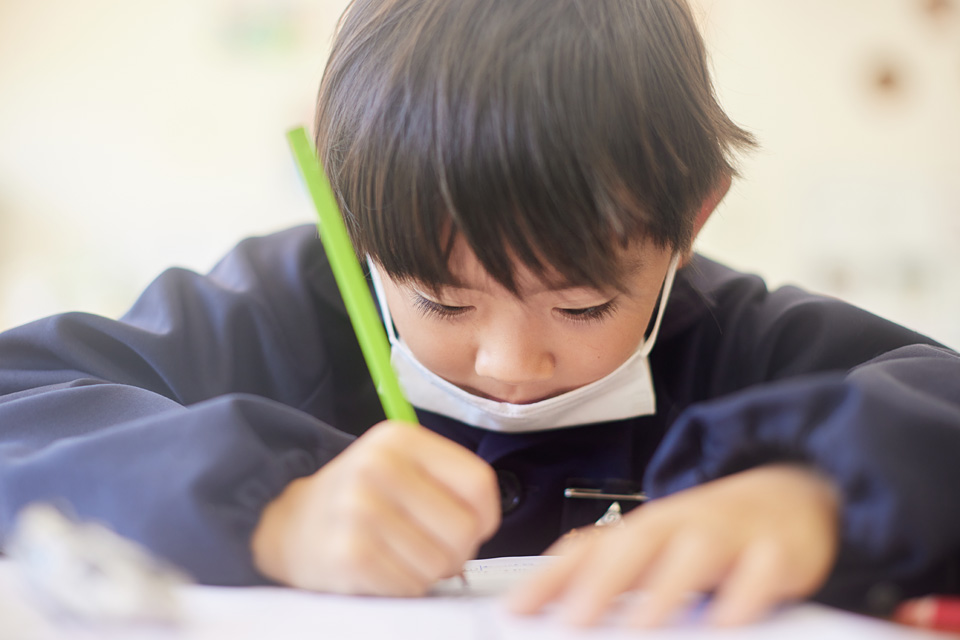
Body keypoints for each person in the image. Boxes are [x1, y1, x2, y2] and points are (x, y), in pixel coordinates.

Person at [1, 0, 959, 629]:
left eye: (583, 303)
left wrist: (820, 493)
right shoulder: (273, 311)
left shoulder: (740, 342)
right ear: (351, 223)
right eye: (440, 298)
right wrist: (269, 508)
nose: (507, 361)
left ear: (691, 222)